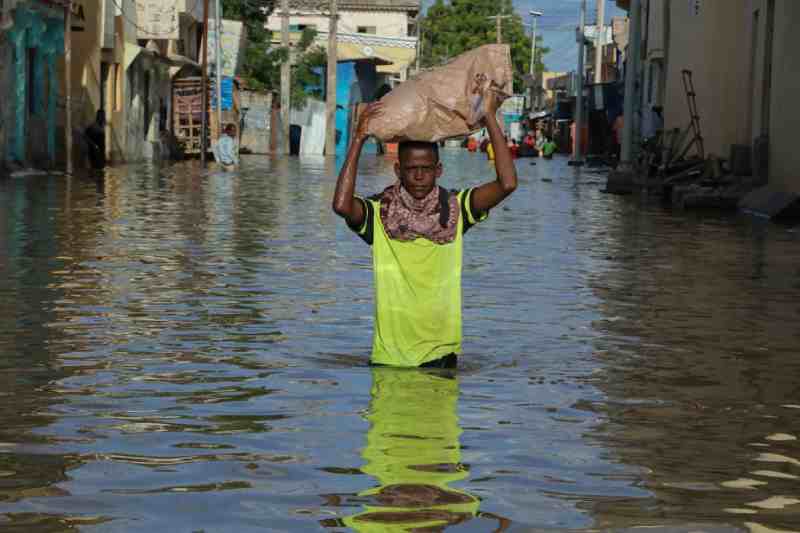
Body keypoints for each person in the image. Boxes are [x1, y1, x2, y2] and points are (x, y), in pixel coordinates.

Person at [332, 86, 517, 368]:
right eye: (411, 169)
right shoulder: (380, 213)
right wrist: (358, 138)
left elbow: (507, 184)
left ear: (438, 170)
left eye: (426, 169)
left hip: (440, 358)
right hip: (390, 359)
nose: (419, 176)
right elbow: (342, 206)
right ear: (398, 171)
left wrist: (489, 116)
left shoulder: (456, 209)